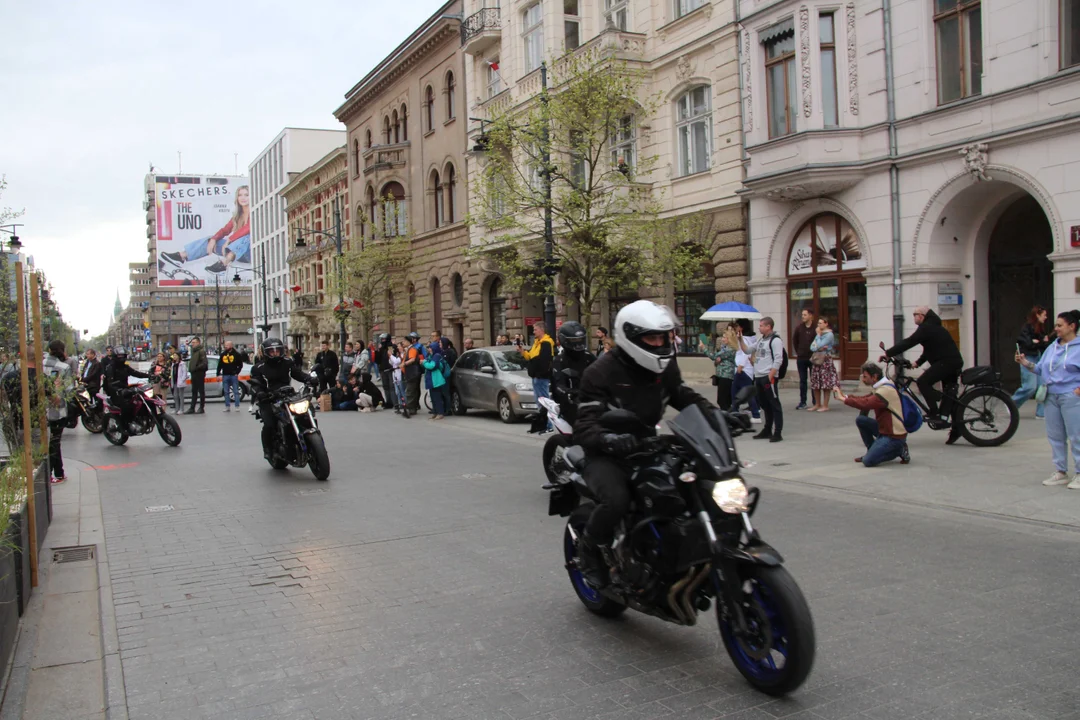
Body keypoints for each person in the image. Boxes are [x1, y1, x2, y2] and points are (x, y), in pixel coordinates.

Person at [573, 301, 716, 588]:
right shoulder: (600, 371)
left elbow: (683, 397)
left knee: (692, 487)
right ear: (631, 338)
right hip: (607, 453)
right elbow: (585, 425)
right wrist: (609, 439)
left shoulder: (664, 366)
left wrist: (720, 416)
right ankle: (587, 550)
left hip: (649, 445)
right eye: (653, 337)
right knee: (617, 500)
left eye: (664, 337)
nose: (661, 343)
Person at [1015, 310, 1080, 488]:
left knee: (1076, 436)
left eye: (1060, 325)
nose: (1056, 329)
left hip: (1071, 396)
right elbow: (1041, 369)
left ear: (1072, 326)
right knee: (1055, 436)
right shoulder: (1053, 346)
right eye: (1056, 325)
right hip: (1051, 396)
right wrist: (1025, 363)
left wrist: (1077, 391)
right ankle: (1061, 472)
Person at [884, 306, 964, 444]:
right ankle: (956, 429)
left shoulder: (926, 328)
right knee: (950, 396)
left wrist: (888, 353)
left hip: (948, 362)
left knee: (923, 382)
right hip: (950, 362)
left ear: (921, 316)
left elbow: (909, 342)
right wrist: (917, 363)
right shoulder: (932, 327)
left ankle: (934, 412)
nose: (914, 317)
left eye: (915, 314)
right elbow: (930, 348)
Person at [159, 186, 251, 274]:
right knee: (210, 240)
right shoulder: (237, 217)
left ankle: (223, 265)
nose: (243, 198)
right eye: (240, 195)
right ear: (237, 197)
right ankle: (181, 256)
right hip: (237, 253)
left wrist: (229, 240)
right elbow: (225, 230)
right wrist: (214, 239)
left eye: (246, 195)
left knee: (248, 236)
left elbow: (248, 228)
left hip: (251, 253)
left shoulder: (255, 212)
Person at [834, 362, 911, 467]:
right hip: (885, 430)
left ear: (874, 377)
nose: (863, 379)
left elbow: (866, 403)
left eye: (865, 377)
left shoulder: (885, 390)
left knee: (868, 461)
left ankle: (899, 450)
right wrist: (845, 396)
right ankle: (872, 450)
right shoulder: (881, 386)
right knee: (861, 420)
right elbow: (865, 398)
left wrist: (843, 399)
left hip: (893, 436)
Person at [249, 338, 313, 460]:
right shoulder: (259, 368)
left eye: (277, 351)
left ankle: (310, 436)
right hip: (269, 398)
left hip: (288, 395)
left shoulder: (288, 362)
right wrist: (260, 393)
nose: (275, 353)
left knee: (305, 412)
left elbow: (298, 374)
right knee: (269, 423)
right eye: (272, 351)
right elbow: (255, 384)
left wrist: (309, 379)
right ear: (265, 352)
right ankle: (267, 448)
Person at [739, 316, 785, 442]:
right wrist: (740, 339)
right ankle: (767, 429)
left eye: (761, 326)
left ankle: (778, 432)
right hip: (758, 376)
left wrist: (770, 377)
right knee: (765, 405)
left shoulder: (775, 341)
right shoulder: (761, 340)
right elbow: (747, 350)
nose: (759, 328)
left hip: (767, 377)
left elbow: (778, 360)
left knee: (774, 404)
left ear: (768, 326)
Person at [551, 321, 596, 425]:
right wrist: (571, 393)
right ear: (564, 340)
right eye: (575, 340)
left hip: (593, 400)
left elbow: (603, 371)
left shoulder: (588, 356)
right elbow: (558, 386)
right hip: (571, 405)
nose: (578, 343)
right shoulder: (559, 360)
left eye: (580, 340)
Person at [43, 340, 74, 484]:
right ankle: (55, 473)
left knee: (44, 442)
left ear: (49, 350)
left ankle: (53, 473)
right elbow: (68, 390)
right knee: (55, 442)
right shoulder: (63, 367)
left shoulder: (39, 365)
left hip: (40, 410)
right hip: (58, 409)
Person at [1013, 305, 1050, 419]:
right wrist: (1039, 342)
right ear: (1037, 315)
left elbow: (1041, 344)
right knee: (1030, 386)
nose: (1046, 317)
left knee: (1042, 386)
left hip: (1038, 357)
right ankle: (1012, 404)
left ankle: (1041, 412)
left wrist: (1039, 342)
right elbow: (1027, 343)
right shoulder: (1027, 327)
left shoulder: (1041, 328)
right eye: (1044, 315)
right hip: (1028, 357)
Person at [103, 347, 151, 429]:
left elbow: (136, 373)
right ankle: (124, 425)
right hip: (115, 392)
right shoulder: (110, 367)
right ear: (115, 356)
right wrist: (118, 389)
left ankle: (141, 418)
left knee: (139, 400)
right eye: (119, 356)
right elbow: (110, 383)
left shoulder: (125, 367)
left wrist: (150, 376)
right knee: (127, 406)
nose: (121, 358)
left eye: (123, 356)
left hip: (126, 390)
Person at [524, 321, 556, 433]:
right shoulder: (537, 342)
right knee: (539, 402)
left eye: (535, 329)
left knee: (544, 401)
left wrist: (539, 373)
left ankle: (549, 425)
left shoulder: (546, 343)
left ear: (541, 330)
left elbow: (545, 361)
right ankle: (542, 424)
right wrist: (523, 352)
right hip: (535, 376)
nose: (533, 332)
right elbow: (530, 357)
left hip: (541, 377)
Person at [730, 320, 761, 423]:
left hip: (743, 370)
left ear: (741, 328)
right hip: (743, 369)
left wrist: (741, 365)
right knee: (735, 391)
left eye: (737, 326)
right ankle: (735, 411)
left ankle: (756, 415)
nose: (735, 328)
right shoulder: (744, 338)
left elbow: (746, 353)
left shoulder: (745, 339)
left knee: (746, 393)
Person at [701, 324, 737, 411]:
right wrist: (718, 360)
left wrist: (703, 348)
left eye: (724, 337)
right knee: (724, 400)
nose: (722, 339)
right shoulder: (724, 348)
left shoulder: (730, 349)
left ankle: (728, 417)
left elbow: (714, 356)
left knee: (722, 400)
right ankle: (729, 416)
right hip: (721, 376)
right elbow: (717, 359)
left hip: (726, 376)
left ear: (729, 339)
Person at [808, 316, 839, 412]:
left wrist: (818, 336)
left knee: (826, 383)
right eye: (818, 323)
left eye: (821, 323)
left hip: (825, 359)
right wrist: (818, 341)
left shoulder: (829, 334)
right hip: (817, 359)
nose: (819, 325)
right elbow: (812, 347)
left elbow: (820, 345)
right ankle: (817, 404)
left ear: (826, 324)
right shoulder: (820, 334)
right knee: (816, 383)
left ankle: (825, 405)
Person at [791, 309, 816, 410]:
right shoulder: (799, 328)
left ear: (810, 316)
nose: (803, 316)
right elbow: (795, 341)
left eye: (805, 315)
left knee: (814, 380)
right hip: (801, 358)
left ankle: (816, 401)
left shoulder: (815, 328)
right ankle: (803, 402)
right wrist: (799, 352)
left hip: (813, 359)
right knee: (803, 381)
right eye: (802, 315)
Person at [422, 343, 451, 420]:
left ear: (434, 348)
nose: (429, 349)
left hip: (436, 380)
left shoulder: (436, 356)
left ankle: (440, 413)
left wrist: (424, 362)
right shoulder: (431, 356)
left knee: (437, 398)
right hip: (432, 380)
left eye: (430, 348)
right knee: (433, 397)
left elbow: (432, 366)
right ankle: (435, 412)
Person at [402, 332, 426, 416]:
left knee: (410, 391)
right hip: (410, 373)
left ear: (409, 342)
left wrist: (404, 364)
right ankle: (413, 407)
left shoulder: (412, 349)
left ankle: (411, 409)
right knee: (412, 391)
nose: (402, 343)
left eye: (404, 341)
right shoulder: (408, 349)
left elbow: (412, 359)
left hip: (413, 373)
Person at [217, 341, 243, 412]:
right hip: (225, 375)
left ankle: (237, 406)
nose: (226, 346)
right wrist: (218, 374)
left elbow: (240, 365)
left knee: (235, 391)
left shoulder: (236, 355)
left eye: (227, 345)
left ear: (231, 346)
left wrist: (237, 372)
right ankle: (227, 406)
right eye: (225, 345)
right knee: (226, 391)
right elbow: (220, 365)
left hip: (233, 375)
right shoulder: (223, 355)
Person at [374, 334, 397, 409]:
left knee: (392, 386)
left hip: (390, 369)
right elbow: (377, 360)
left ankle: (394, 402)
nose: (382, 341)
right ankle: (388, 402)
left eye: (384, 339)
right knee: (386, 386)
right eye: (382, 339)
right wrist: (377, 351)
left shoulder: (391, 347)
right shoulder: (381, 348)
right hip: (382, 369)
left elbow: (392, 356)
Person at [186, 337, 208, 414]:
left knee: (201, 391)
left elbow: (204, 363)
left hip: (199, 373)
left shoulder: (201, 351)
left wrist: (196, 367)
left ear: (198, 343)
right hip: (194, 373)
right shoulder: (194, 351)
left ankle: (201, 407)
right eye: (192, 343)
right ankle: (192, 407)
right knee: (194, 391)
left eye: (194, 342)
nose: (193, 344)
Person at [170, 350, 188, 414]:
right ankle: (176, 409)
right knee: (175, 396)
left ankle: (181, 409)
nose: (174, 357)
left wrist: (182, 380)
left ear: (178, 356)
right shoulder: (173, 364)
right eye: (173, 355)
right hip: (175, 381)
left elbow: (184, 373)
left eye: (175, 355)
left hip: (180, 382)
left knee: (181, 396)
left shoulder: (182, 364)